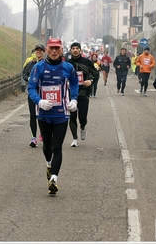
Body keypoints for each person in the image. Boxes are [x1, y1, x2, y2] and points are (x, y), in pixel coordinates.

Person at [27, 38, 79, 194]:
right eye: (51, 48)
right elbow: (31, 88)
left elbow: (75, 83)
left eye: (57, 48)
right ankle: (49, 164)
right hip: (43, 114)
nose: (54, 51)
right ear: (46, 50)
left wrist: (74, 99)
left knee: (57, 146)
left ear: (62, 50)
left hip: (61, 114)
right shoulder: (38, 68)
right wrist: (40, 101)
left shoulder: (68, 68)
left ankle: (54, 179)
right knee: (47, 146)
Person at [67, 42, 98, 147]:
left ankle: (83, 127)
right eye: (73, 48)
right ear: (71, 50)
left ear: (80, 50)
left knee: (82, 117)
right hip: (71, 94)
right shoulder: (67, 63)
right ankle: (74, 138)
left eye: (77, 48)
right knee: (72, 117)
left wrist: (90, 81)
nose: (75, 50)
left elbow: (96, 74)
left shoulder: (87, 62)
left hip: (84, 93)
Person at [22, 44, 45, 147]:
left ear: (43, 52)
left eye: (40, 50)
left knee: (42, 115)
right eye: (37, 50)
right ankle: (33, 138)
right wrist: (29, 79)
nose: (38, 52)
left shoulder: (46, 64)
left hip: (43, 93)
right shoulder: (30, 63)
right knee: (32, 115)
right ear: (35, 52)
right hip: (32, 92)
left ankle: (43, 133)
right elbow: (24, 75)